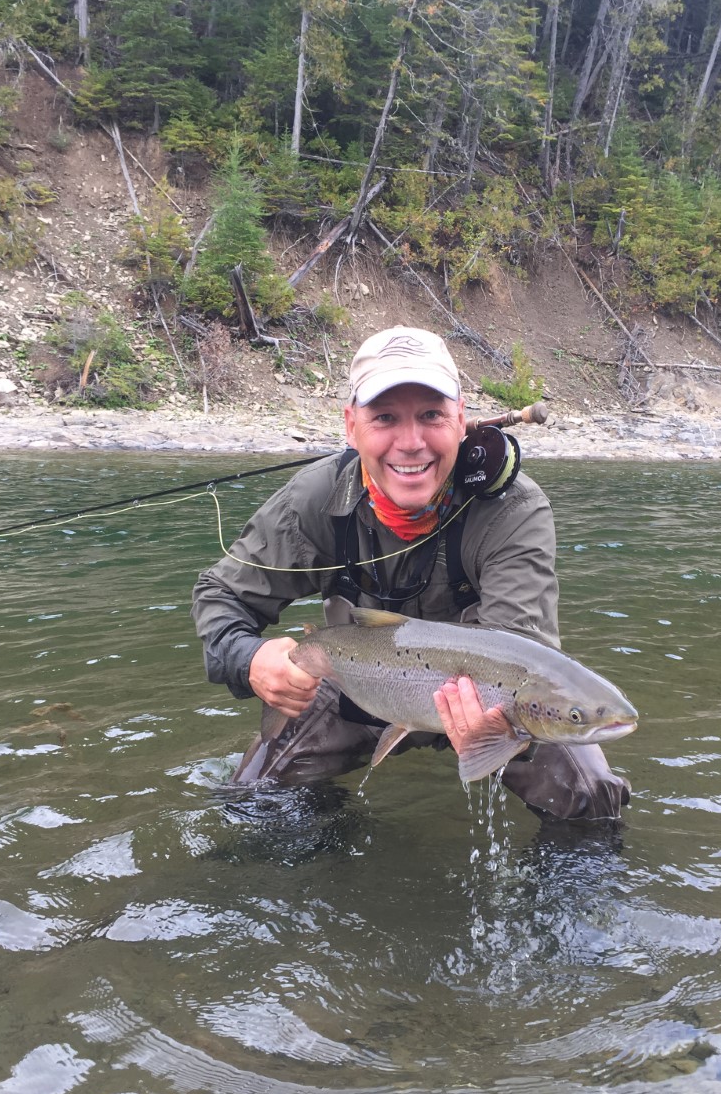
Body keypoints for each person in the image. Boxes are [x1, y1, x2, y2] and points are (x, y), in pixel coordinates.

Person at [191, 326, 630, 820]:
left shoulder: (514, 509)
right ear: (351, 426)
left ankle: (564, 895)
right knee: (256, 797)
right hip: (356, 683)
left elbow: (521, 646)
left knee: (592, 797)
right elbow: (220, 594)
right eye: (385, 418)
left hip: (491, 701)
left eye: (431, 415)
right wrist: (250, 660)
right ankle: (317, 853)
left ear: (461, 419)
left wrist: (501, 735)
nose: (411, 442)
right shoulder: (314, 500)